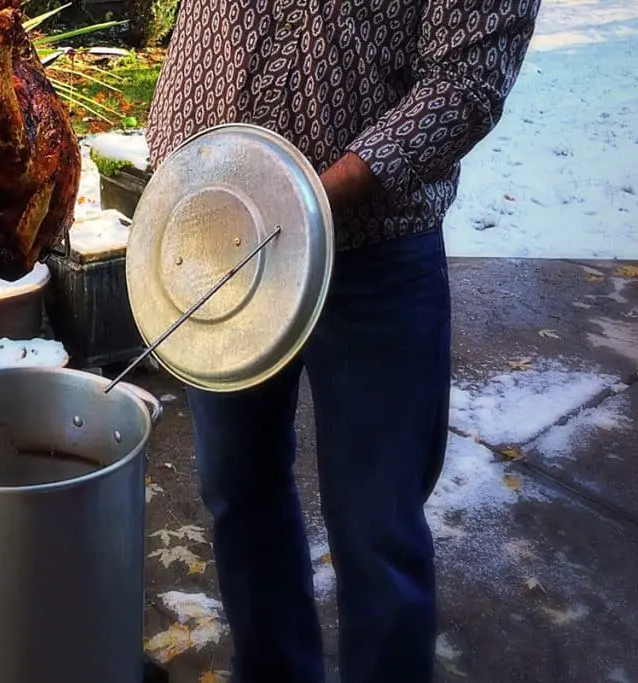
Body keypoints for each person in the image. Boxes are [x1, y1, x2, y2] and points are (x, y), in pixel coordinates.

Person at [145, 1, 542, 682]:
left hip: (372, 248)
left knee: (376, 523)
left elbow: (466, 79)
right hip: (208, 230)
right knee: (238, 491)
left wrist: (305, 201)